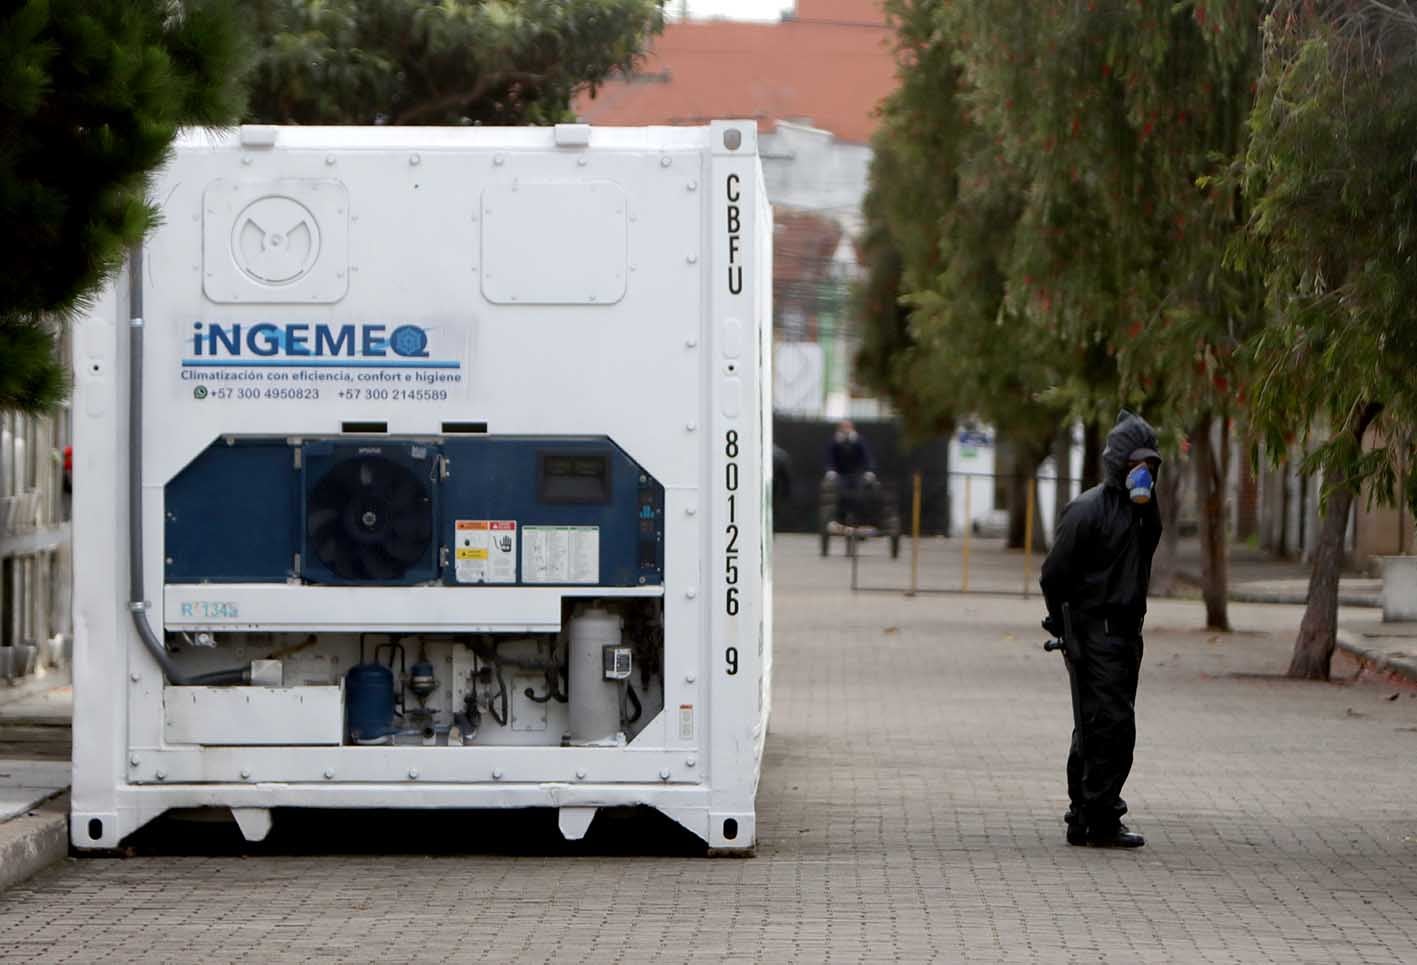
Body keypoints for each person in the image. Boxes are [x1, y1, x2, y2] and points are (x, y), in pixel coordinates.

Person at [1039, 410, 1163, 849]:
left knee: (1102, 725)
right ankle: (1098, 814)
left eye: (1149, 464)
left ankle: (1089, 812)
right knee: (1108, 724)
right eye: (1135, 464)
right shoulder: (1089, 509)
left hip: (1127, 634)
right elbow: (1054, 573)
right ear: (1118, 464)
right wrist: (1064, 621)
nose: (1143, 472)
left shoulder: (1144, 514)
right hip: (1096, 632)